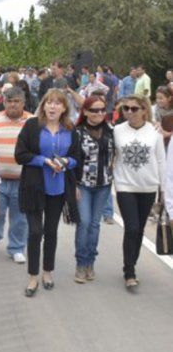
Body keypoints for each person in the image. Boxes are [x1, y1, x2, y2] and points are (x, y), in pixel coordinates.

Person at [15, 89, 80, 297]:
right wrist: (43, 160)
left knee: (51, 232)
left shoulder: (70, 129)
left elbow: (77, 157)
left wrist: (66, 162)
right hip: (34, 186)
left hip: (59, 188)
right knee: (35, 232)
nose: (52, 106)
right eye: (49, 103)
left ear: (64, 108)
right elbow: (20, 154)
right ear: (43, 106)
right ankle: (33, 276)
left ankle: (47, 272)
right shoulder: (32, 126)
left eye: (57, 103)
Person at [114, 94, 165, 291]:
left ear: (144, 110)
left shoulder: (155, 133)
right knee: (132, 228)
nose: (129, 112)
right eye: (126, 108)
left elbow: (161, 161)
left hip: (148, 187)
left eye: (134, 108)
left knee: (140, 229)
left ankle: (131, 264)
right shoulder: (117, 130)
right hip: (125, 186)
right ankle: (129, 271)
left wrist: (163, 190)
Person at [0, 86, 33, 264]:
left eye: (16, 101)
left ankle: (16, 248)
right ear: (4, 102)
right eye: (9, 101)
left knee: (20, 218)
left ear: (23, 103)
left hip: (23, 180)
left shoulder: (33, 121)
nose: (12, 105)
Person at [73, 96, 114, 283]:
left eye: (102, 110)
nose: (99, 113)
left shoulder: (112, 131)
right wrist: (73, 185)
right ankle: (81, 263)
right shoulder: (78, 132)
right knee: (84, 223)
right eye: (94, 110)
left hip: (104, 185)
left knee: (95, 225)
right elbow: (72, 160)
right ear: (86, 111)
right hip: (83, 185)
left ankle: (90, 262)